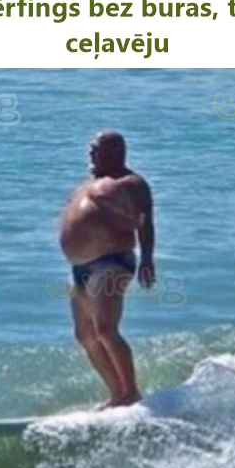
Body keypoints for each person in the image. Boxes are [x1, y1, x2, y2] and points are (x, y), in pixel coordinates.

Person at [60, 131, 155, 408]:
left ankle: (131, 392)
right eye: (91, 149)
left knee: (105, 329)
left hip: (111, 261)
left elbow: (145, 222)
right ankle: (117, 394)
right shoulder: (84, 186)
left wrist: (147, 258)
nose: (90, 154)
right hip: (79, 268)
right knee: (85, 335)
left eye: (96, 149)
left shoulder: (130, 183)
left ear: (116, 152)